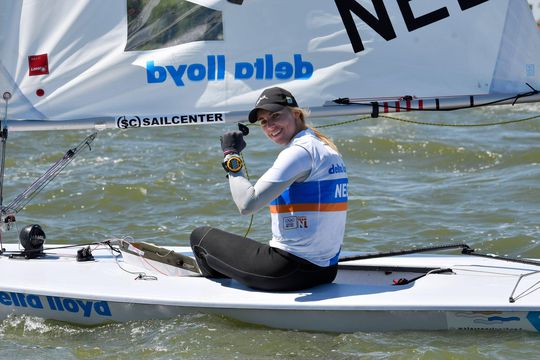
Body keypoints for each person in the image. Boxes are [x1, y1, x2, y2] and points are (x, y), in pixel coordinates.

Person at [190, 87, 348, 291]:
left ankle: (219, 297)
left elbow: (247, 204)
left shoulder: (299, 152)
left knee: (200, 237)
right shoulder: (326, 148)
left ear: (296, 114)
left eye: (275, 116)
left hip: (289, 271)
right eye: (264, 122)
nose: (270, 125)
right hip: (326, 271)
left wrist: (231, 155)